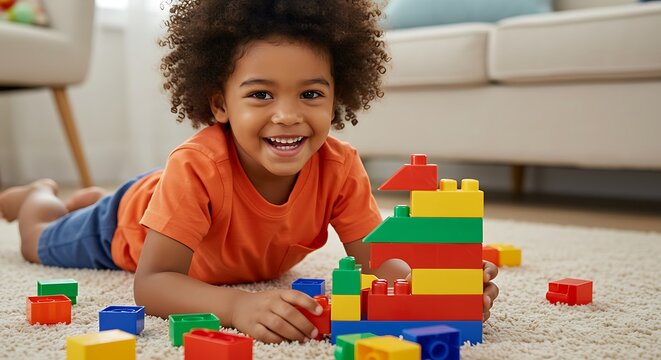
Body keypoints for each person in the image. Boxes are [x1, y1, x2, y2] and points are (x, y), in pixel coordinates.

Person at [0, 0, 499, 343]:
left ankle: (85, 197)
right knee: (36, 241)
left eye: (311, 94)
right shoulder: (196, 167)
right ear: (219, 104)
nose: (287, 115)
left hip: (172, 202)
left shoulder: (341, 167)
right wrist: (237, 308)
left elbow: (379, 265)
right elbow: (153, 284)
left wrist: (438, 289)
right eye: (260, 94)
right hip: (125, 224)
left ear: (337, 97)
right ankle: (38, 196)